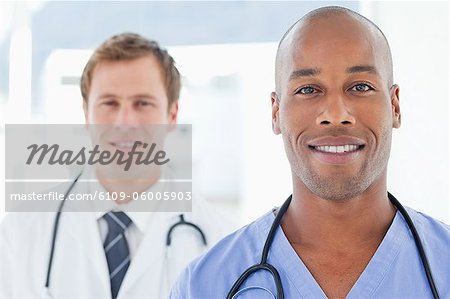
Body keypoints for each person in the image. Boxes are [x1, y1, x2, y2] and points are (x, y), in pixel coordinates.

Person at [169, 6, 450, 299]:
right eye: (308, 90)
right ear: (276, 112)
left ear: (395, 106)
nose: (336, 114)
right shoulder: (204, 285)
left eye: (360, 86)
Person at [0, 33, 233, 299]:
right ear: (86, 113)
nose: (124, 121)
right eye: (109, 103)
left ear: (172, 115)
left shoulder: (221, 241)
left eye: (142, 103)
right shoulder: (20, 232)